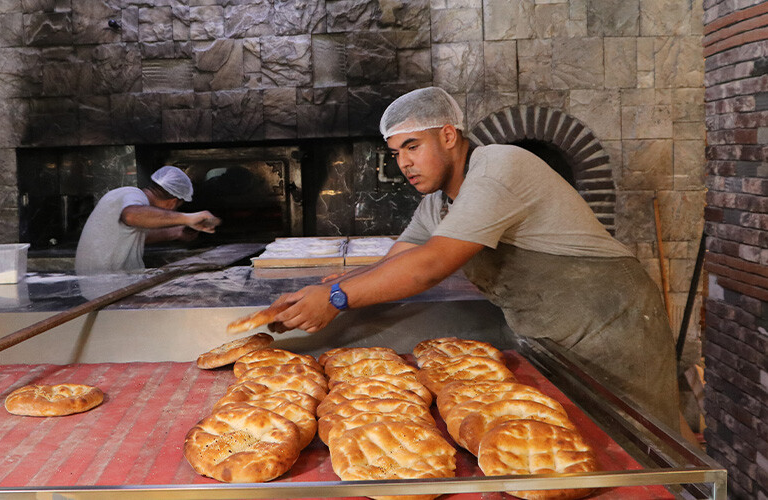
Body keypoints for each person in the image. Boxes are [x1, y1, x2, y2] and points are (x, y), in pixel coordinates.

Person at [269, 87, 683, 432]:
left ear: (449, 135)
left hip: (612, 325)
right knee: (580, 449)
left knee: (646, 448)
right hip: (553, 334)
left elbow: (429, 266)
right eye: (396, 153)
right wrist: (325, 290)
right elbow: (398, 259)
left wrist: (339, 299)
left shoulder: (497, 168)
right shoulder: (439, 202)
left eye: (413, 146)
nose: (404, 163)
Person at [75, 165, 220, 274]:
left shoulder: (126, 196)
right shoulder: (133, 195)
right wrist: (188, 218)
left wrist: (175, 232)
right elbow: (131, 216)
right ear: (173, 202)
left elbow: (130, 235)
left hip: (100, 282)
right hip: (106, 285)